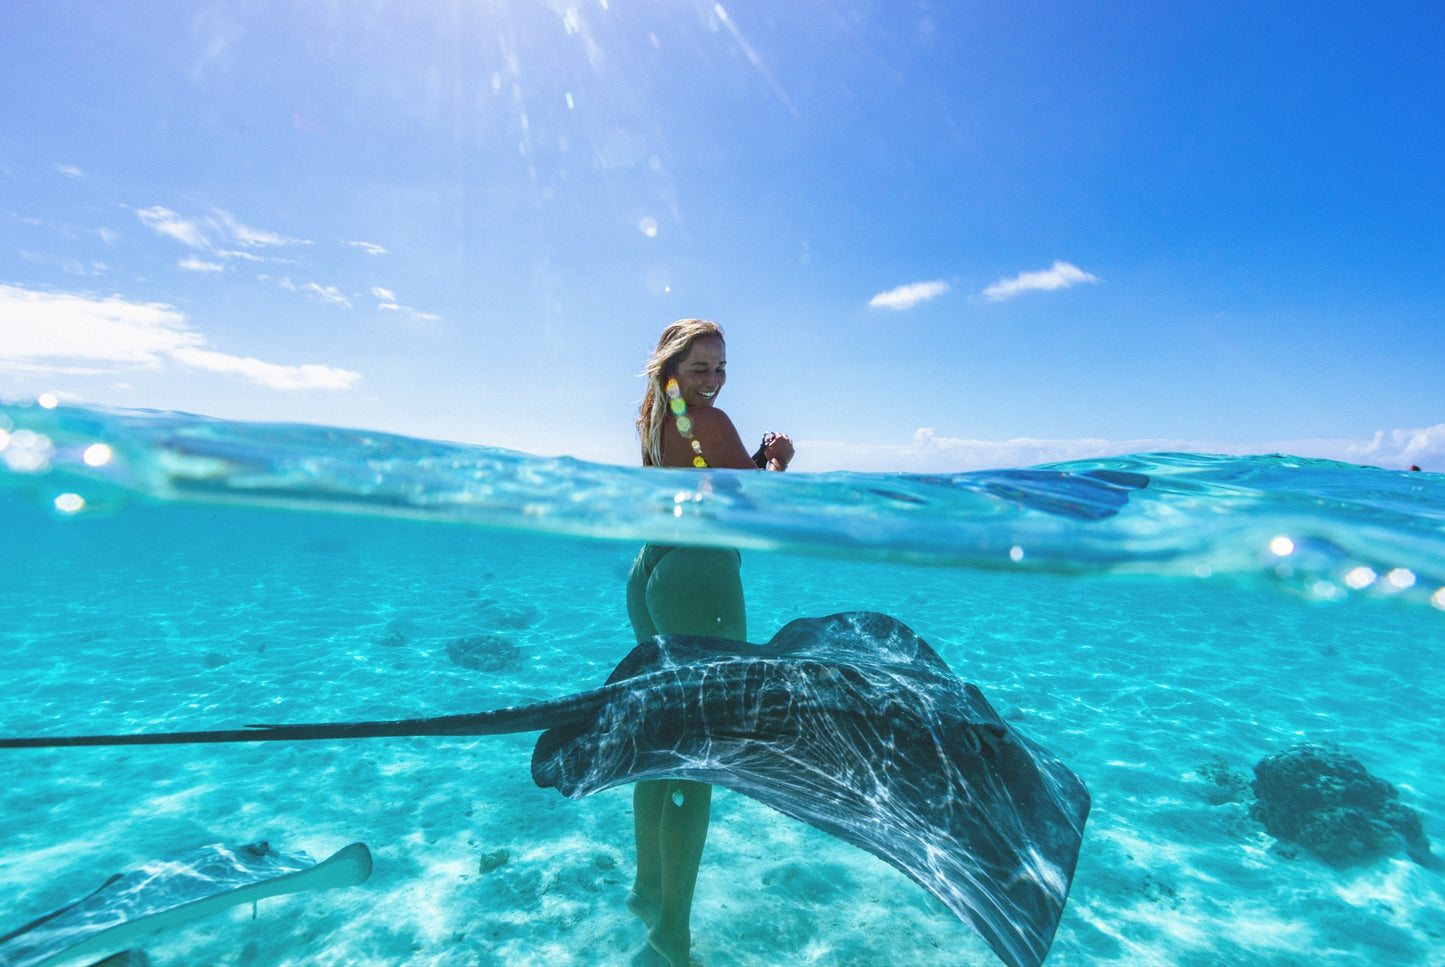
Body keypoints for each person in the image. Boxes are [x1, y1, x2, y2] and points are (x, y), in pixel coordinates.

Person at [624, 318, 793, 966]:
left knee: (662, 748)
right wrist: (778, 457)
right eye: (701, 369)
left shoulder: (659, 417)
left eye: (722, 369)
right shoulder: (708, 421)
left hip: (650, 573)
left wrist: (747, 460)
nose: (714, 382)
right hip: (699, 577)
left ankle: (647, 889)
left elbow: (707, 476)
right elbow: (758, 504)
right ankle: (672, 933)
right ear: (673, 366)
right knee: (698, 763)